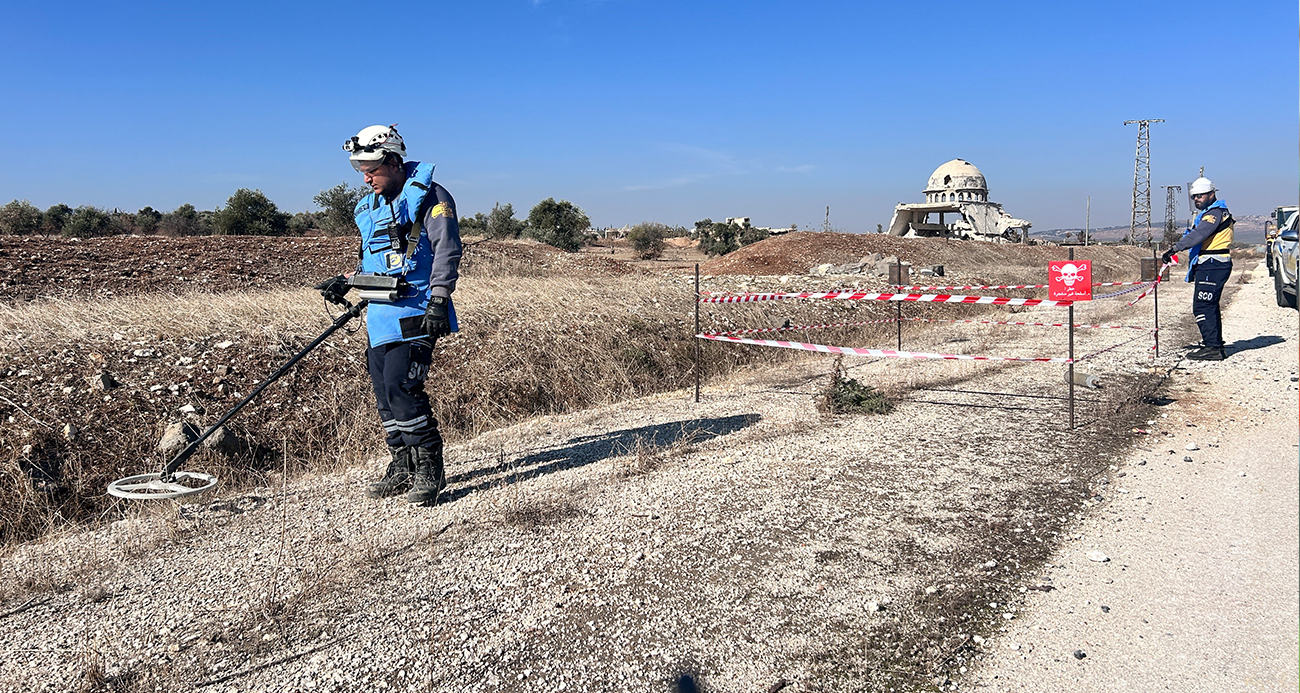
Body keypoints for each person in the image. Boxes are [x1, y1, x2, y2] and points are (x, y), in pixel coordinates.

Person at [315, 124, 463, 504]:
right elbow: (379, 260)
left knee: (403, 387)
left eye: (372, 169)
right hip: (380, 316)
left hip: (418, 310)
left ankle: (430, 466)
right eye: (360, 170)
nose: (366, 178)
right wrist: (346, 280)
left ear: (395, 162)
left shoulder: (432, 196)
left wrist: (440, 299)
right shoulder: (373, 207)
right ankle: (402, 463)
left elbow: (446, 251)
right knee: (384, 393)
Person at [1162, 176, 1233, 361]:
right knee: (1210, 305)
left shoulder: (1214, 214)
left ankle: (1213, 348)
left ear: (1211, 194)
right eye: (1194, 196)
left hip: (1213, 264)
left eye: (1200, 196)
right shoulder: (1214, 212)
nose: (1196, 199)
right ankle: (1214, 343)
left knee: (1203, 306)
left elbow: (1198, 234)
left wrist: (1175, 249)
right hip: (1212, 264)